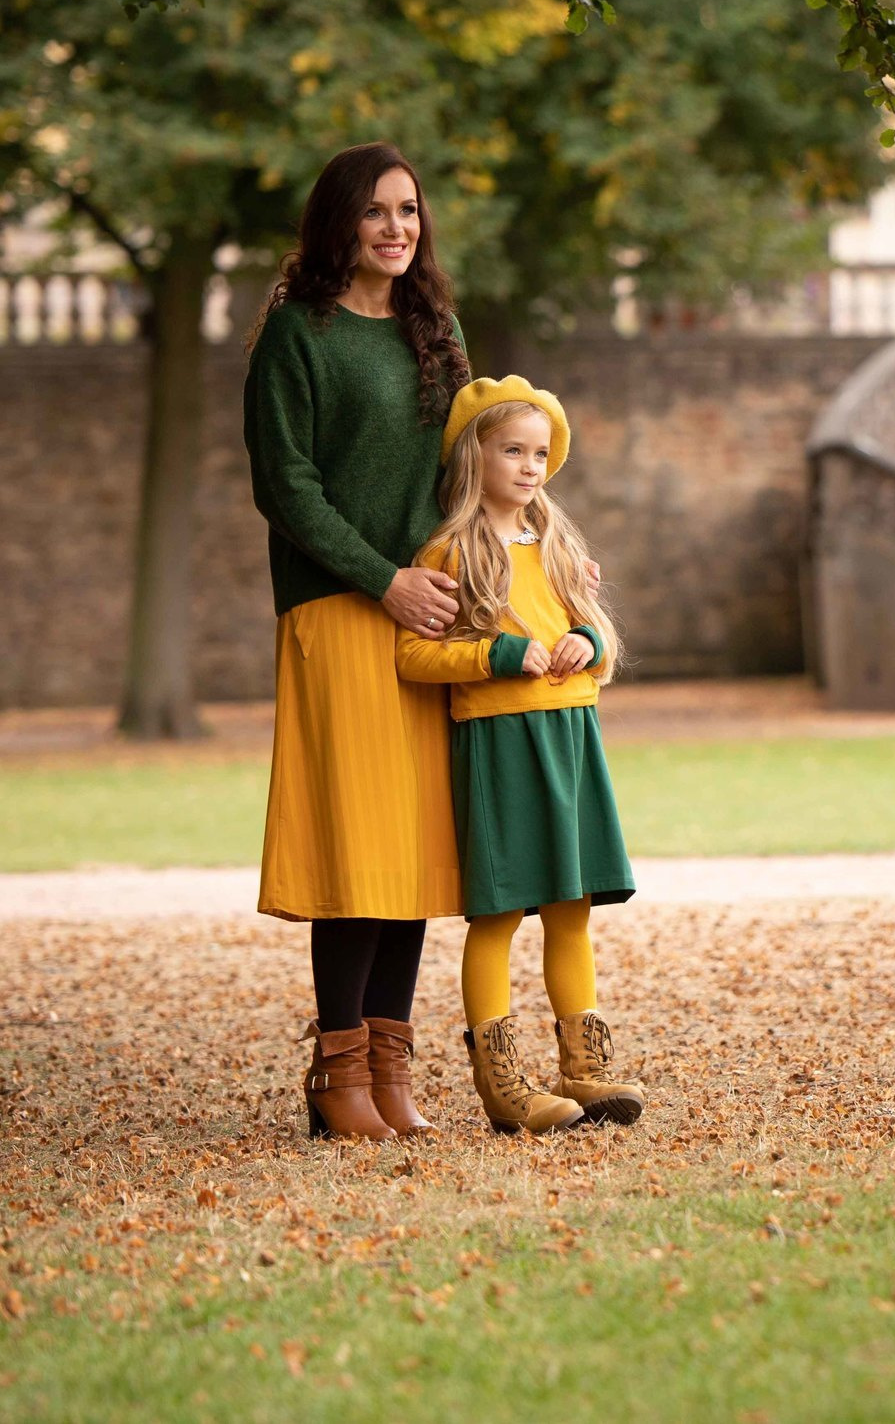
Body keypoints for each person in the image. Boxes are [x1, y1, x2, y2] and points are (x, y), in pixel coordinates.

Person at [245, 142, 472, 1142]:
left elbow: (475, 462)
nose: (396, 228)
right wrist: (382, 580)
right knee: (358, 844)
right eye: (376, 211)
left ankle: (390, 1065)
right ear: (337, 223)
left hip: (431, 608)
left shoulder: (437, 330)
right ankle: (336, 1068)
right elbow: (285, 488)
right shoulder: (298, 336)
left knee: (419, 846)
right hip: (340, 608)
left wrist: (522, 562)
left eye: (409, 211)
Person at [396, 377, 646, 1136]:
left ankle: (586, 1067)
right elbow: (414, 654)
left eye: (541, 452)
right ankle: (503, 1082)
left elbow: (601, 643)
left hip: (570, 740)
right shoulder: (451, 547)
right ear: (476, 454)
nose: (531, 466)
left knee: (572, 911)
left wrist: (589, 642)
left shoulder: (560, 544)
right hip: (499, 743)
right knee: (500, 915)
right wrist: (500, 654)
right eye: (513, 449)